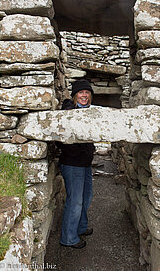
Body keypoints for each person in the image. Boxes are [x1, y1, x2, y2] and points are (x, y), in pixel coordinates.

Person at [58, 79, 95, 249]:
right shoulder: (68, 111)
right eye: (81, 92)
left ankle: (80, 227)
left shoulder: (88, 112)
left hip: (85, 163)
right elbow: (60, 139)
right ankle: (69, 238)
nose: (84, 96)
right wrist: (78, 152)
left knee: (86, 198)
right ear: (74, 95)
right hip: (73, 164)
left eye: (87, 93)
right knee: (75, 201)